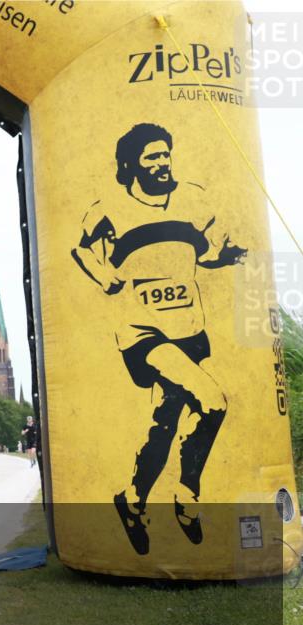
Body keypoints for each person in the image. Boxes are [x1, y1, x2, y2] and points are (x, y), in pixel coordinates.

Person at [71, 123, 243, 556]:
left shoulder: (192, 199)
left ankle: (131, 500)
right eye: (152, 157)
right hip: (143, 333)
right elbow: (83, 249)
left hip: (190, 329)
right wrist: (105, 276)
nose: (163, 163)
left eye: (166, 154)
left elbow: (205, 253)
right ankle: (187, 496)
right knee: (213, 401)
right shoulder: (109, 208)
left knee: (164, 424)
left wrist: (226, 256)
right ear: (131, 165)